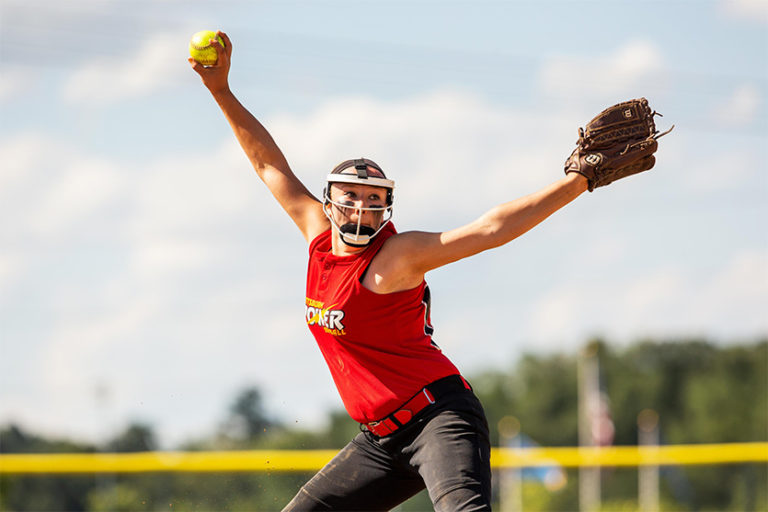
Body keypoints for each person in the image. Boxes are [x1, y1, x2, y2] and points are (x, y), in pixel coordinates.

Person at [190, 32, 589, 512]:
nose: (362, 207)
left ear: (387, 208)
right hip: (380, 441)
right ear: (331, 200)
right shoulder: (317, 234)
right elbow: (269, 165)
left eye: (374, 199)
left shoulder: (396, 255)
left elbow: (491, 229)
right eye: (352, 196)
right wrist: (221, 92)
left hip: (439, 417)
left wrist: (578, 181)